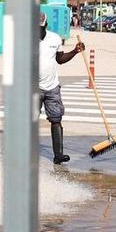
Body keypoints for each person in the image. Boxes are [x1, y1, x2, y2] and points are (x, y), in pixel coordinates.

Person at [39, 12, 84, 164]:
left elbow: (60, 59)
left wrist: (75, 51)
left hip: (52, 87)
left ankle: (58, 155)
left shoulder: (55, 38)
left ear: (45, 24)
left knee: (56, 119)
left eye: (41, 27)